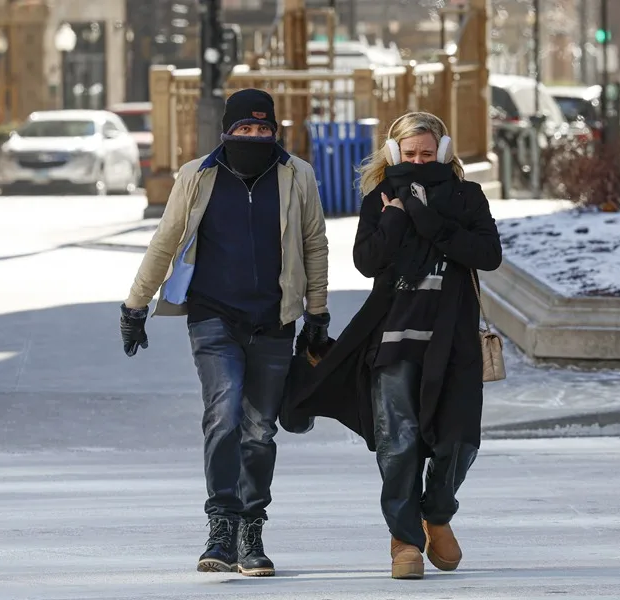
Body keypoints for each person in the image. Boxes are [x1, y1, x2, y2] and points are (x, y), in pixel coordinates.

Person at [280, 112, 502, 579]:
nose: (418, 161)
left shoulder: (467, 196)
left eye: (427, 153)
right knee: (398, 443)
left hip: (453, 340)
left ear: (443, 152)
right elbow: (367, 262)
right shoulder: (378, 199)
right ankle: (405, 540)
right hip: (392, 338)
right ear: (394, 153)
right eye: (410, 153)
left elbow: (487, 255)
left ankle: (436, 515)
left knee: (460, 440)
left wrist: (426, 217)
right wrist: (397, 217)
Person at [119, 89, 330, 577]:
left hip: (275, 320)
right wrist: (135, 305)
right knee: (224, 414)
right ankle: (221, 523)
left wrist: (316, 314)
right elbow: (166, 241)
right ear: (227, 131)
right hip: (213, 315)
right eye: (245, 129)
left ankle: (251, 529)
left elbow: (314, 244)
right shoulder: (198, 175)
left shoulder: (297, 174)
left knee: (260, 429)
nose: (254, 136)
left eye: (263, 128)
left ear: (275, 131)